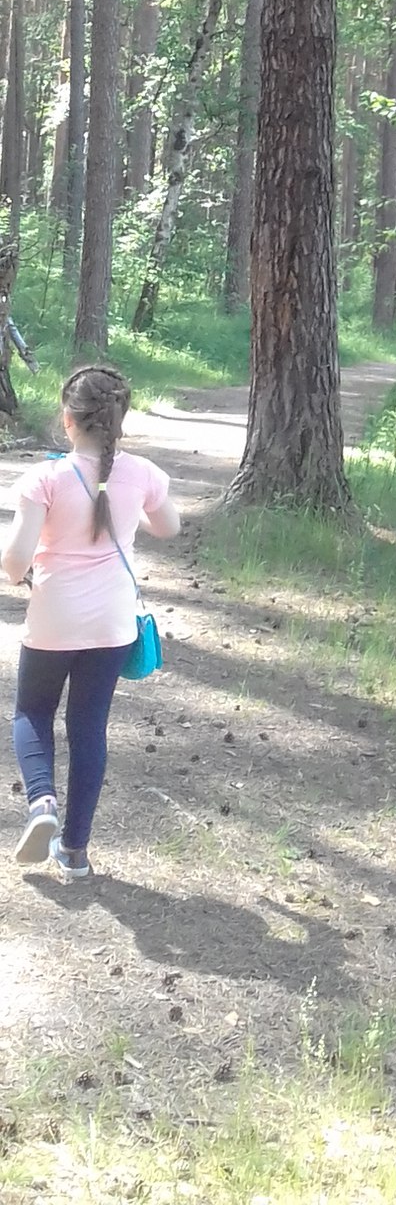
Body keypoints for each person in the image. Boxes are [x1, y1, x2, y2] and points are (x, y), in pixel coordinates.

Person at [1, 365, 180, 880]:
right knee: (88, 726)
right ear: (120, 419)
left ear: (68, 419)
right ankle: (75, 851)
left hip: (54, 617)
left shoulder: (45, 479)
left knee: (32, 711)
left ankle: (42, 804)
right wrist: (130, 512)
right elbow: (168, 526)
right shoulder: (141, 473)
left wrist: (19, 568)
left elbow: (14, 564)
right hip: (112, 623)